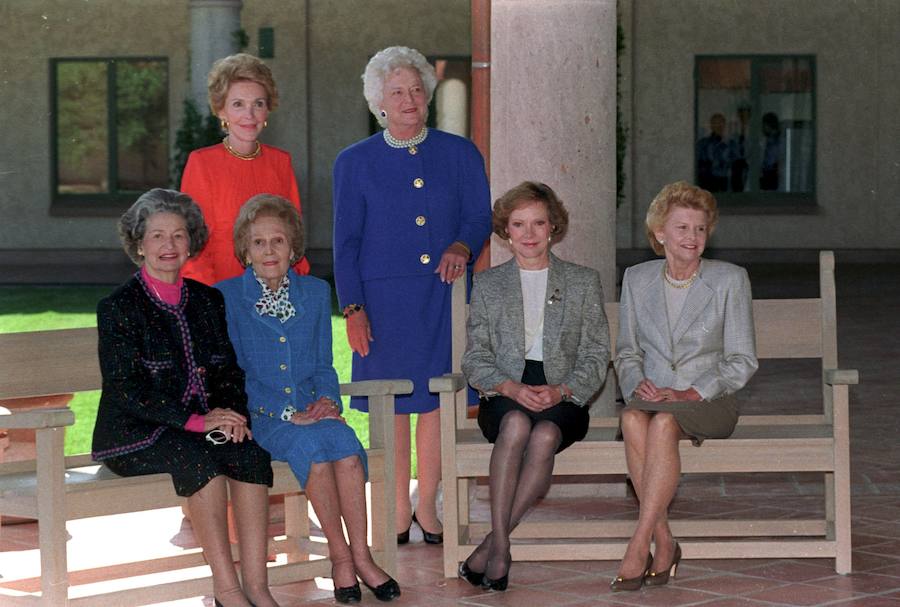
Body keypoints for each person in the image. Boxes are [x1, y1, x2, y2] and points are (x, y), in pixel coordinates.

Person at [333, 45, 492, 544]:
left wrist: (462, 246)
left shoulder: (460, 153)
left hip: (442, 296)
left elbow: (478, 218)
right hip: (381, 304)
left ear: (428, 95)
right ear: (378, 101)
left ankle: (429, 509)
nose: (408, 99)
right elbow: (346, 243)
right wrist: (354, 308)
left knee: (437, 402)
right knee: (392, 406)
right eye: (397, 91)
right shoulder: (353, 162)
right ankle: (396, 511)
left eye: (416, 89)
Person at [92, 189, 279, 607]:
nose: (168, 246)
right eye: (157, 236)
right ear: (139, 244)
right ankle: (227, 591)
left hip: (202, 428)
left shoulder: (208, 301)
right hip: (136, 434)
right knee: (200, 460)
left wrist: (231, 414)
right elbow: (126, 389)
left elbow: (228, 370)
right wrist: (196, 421)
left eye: (178, 235)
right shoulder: (119, 308)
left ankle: (258, 588)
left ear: (190, 243)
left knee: (249, 453)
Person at [217, 195, 400, 603]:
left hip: (312, 411)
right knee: (315, 451)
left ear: (293, 248)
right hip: (261, 417)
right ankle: (340, 558)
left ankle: (362, 555)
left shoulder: (315, 293)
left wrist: (328, 403)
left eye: (278, 241)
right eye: (259, 242)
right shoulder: (227, 297)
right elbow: (235, 373)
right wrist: (287, 412)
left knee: (346, 448)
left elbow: (322, 364)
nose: (269, 251)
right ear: (245, 250)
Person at [460, 182, 610, 591]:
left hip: (564, 395)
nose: (529, 234)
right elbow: (474, 358)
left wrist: (562, 391)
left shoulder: (581, 281)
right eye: (519, 224)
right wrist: (508, 387)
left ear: (553, 227)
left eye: (538, 223)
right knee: (517, 427)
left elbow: (597, 354)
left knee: (544, 433)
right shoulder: (490, 285)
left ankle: (491, 544)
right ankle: (503, 547)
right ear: (506, 231)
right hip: (505, 392)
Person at [612, 181, 758, 592]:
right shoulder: (637, 279)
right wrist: (636, 381)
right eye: (682, 228)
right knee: (633, 418)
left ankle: (640, 541)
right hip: (653, 397)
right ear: (660, 233)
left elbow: (742, 360)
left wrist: (692, 392)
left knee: (659, 424)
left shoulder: (729, 280)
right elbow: (626, 351)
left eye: (699, 229)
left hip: (711, 399)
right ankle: (665, 539)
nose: (692, 238)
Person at [181, 52, 310, 285]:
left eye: (258, 104)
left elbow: (294, 239)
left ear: (267, 110)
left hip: (276, 293)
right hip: (221, 292)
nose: (249, 115)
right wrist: (211, 302)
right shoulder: (202, 163)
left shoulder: (280, 162)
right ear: (221, 111)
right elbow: (194, 245)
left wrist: (294, 288)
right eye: (238, 104)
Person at [696, 113, 730, 192]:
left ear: (724, 125)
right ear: (711, 125)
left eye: (721, 123)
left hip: (724, 180)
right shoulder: (703, 144)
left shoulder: (730, 143)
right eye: (716, 123)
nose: (719, 126)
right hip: (708, 181)